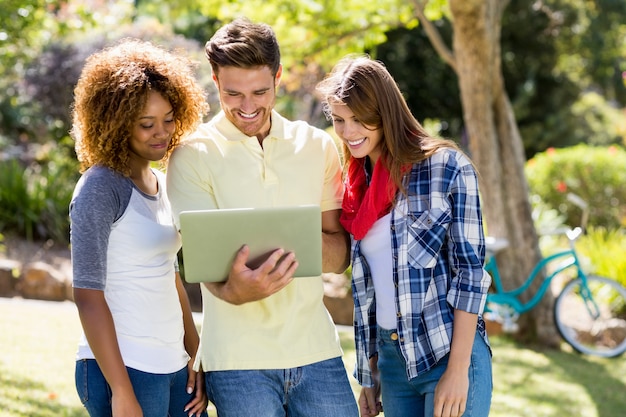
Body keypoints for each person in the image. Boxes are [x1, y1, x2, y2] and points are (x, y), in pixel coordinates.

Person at [166, 17, 359, 417]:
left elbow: (340, 255)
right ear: (215, 81)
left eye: (260, 91)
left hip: (316, 350)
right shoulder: (191, 155)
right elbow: (205, 267)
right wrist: (237, 290)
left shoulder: (317, 146)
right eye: (233, 94)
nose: (248, 107)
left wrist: (282, 241)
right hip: (237, 360)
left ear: (278, 76)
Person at [316, 55, 493, 417]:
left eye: (359, 119)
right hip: (394, 365)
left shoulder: (446, 168)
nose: (348, 132)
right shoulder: (355, 187)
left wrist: (459, 370)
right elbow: (369, 291)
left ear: (385, 114)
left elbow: (470, 276)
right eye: (339, 120)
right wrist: (370, 375)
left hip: (446, 351)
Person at [69, 38, 210, 417]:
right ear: (114, 124)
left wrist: (195, 353)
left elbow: (171, 278)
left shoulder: (163, 182)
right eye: (146, 124)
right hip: (125, 368)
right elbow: (87, 295)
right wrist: (121, 391)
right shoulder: (100, 187)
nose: (161, 133)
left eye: (168, 120)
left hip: (174, 366)